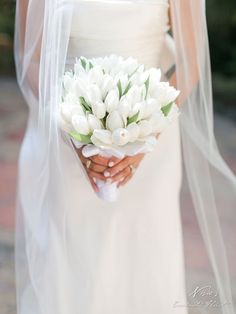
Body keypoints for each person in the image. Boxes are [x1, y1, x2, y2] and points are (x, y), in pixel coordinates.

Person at [14, 1, 236, 313]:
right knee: (70, 266)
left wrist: (142, 138)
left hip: (151, 144)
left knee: (142, 259)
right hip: (63, 139)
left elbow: (190, 62)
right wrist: (72, 133)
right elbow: (31, 59)